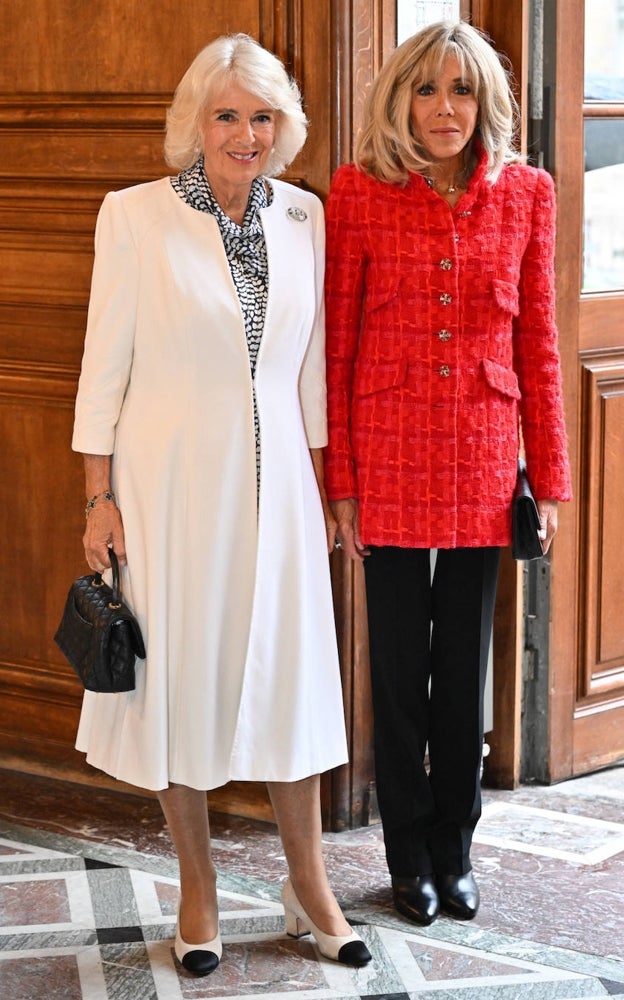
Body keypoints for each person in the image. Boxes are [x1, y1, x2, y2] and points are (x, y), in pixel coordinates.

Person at [72, 33, 371, 976]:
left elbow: (313, 367)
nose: (248, 133)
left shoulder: (303, 217)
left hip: (280, 480)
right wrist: (99, 499)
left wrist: (327, 484)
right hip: (168, 483)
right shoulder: (134, 217)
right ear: (195, 122)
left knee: (292, 677)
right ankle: (196, 888)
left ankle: (308, 882)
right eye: (229, 114)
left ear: (284, 129)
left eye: (264, 116)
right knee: (184, 681)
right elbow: (102, 370)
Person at [323, 21, 572, 926]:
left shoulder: (526, 195)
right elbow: (339, 347)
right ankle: (404, 856)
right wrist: (339, 485)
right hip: (385, 456)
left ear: (487, 103)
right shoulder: (359, 193)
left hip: (479, 456)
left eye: (462, 91)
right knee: (395, 673)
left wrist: (548, 478)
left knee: (463, 669)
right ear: (400, 99)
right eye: (426, 90)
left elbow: (539, 344)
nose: (444, 110)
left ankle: (454, 851)